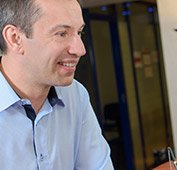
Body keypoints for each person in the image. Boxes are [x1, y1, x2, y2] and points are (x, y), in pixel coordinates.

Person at [0, 0, 114, 169]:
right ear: (15, 38)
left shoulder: (75, 94)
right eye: (62, 34)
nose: (80, 49)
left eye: (79, 32)